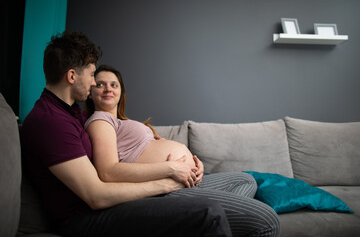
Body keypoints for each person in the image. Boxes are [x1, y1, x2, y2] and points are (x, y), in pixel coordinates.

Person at [20, 31, 233, 237]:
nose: (94, 83)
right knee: (210, 214)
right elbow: (96, 196)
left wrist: (187, 165)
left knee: (240, 187)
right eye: (93, 75)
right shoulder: (51, 122)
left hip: (106, 205)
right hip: (85, 218)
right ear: (72, 76)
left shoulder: (71, 111)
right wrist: (168, 183)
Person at [84, 64, 281, 237]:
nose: (108, 88)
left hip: (185, 179)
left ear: (121, 92)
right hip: (166, 190)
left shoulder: (123, 122)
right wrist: (171, 168)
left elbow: (152, 149)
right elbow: (108, 172)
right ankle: (211, 219)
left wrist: (195, 165)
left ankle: (215, 224)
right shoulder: (101, 120)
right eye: (100, 84)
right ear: (90, 93)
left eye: (114, 84)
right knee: (268, 220)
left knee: (246, 180)